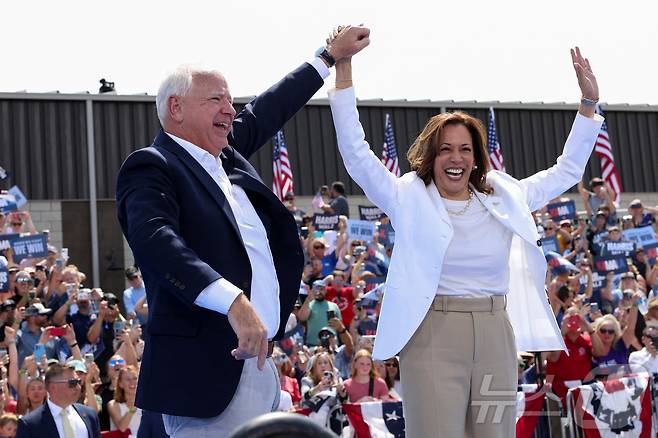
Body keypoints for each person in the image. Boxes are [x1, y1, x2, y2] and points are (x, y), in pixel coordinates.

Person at [327, 40, 602, 437]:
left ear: (475, 157)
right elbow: (355, 153)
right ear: (430, 157)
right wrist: (344, 70)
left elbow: (566, 170)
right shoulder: (406, 196)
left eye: (465, 149)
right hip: (433, 339)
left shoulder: (505, 195)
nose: (456, 158)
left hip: (494, 338)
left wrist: (589, 105)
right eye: (445, 150)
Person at [115, 27, 370, 437]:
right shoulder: (153, 166)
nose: (230, 110)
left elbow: (270, 108)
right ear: (175, 108)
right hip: (206, 375)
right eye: (216, 99)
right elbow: (157, 241)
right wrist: (234, 301)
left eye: (231, 100)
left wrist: (326, 57)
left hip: (259, 367)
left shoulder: (226, 156)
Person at [16, 363, 101, 438]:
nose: (78, 387)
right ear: (53, 387)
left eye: (78, 382)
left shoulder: (90, 415)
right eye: (72, 382)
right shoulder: (30, 424)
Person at [296, 280, 342, 347]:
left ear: (326, 290)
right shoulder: (309, 304)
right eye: (316, 289)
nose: (319, 292)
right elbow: (302, 318)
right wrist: (308, 299)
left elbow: (340, 326)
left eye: (321, 289)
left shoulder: (334, 306)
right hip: (313, 345)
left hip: (331, 345)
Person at [108, 365, 141, 434]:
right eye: (128, 379)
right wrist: (132, 408)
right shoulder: (113, 404)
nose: (132, 382)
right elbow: (122, 428)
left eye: (135, 378)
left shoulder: (145, 404)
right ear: (120, 384)